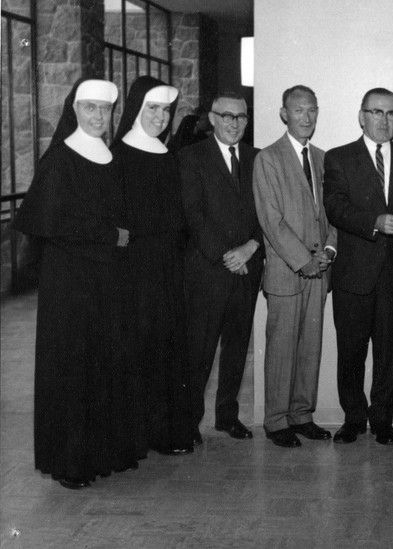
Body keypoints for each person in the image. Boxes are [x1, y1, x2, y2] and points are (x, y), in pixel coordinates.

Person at [12, 78, 138, 489]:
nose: (99, 116)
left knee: (103, 364)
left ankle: (102, 454)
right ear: (75, 111)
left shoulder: (111, 157)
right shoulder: (60, 159)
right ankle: (70, 462)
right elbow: (47, 220)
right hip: (69, 282)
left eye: (104, 110)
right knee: (72, 368)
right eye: (90, 109)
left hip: (107, 279)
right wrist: (108, 235)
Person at [323, 88, 393, 445]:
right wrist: (375, 221)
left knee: (389, 352)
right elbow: (335, 208)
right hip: (354, 274)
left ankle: (383, 419)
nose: (384, 121)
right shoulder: (339, 158)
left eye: (392, 114)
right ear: (361, 116)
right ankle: (353, 418)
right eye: (377, 112)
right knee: (351, 351)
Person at [111, 76, 193, 458]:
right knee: (135, 351)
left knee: (167, 348)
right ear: (136, 109)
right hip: (132, 273)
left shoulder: (166, 154)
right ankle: (133, 435)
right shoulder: (118, 156)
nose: (161, 117)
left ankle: (165, 431)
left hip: (166, 269)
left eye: (166, 110)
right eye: (153, 109)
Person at [253, 85, 337, 448]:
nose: (306, 117)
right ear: (285, 114)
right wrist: (304, 261)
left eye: (312, 110)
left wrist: (330, 250)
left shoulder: (322, 158)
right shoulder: (268, 159)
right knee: (282, 347)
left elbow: (332, 214)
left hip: (320, 271)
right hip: (287, 272)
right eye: (299, 110)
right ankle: (276, 420)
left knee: (310, 347)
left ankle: (302, 415)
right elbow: (271, 221)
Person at [179, 92, 264, 444]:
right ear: (212, 118)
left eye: (241, 117)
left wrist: (251, 247)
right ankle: (188, 421)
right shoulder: (190, 157)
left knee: (237, 347)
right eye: (226, 116)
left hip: (248, 267)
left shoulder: (258, 159)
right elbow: (192, 215)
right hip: (208, 270)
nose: (234, 123)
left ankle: (227, 416)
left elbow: (268, 213)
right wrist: (227, 255)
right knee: (199, 349)